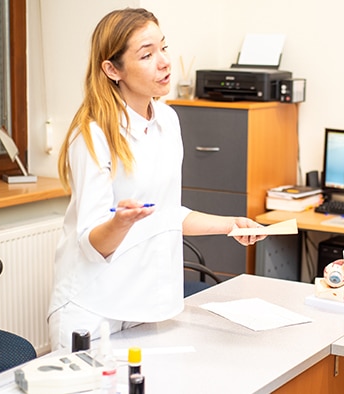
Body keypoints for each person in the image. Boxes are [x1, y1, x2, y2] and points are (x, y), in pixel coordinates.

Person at [48, 7, 265, 351]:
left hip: (143, 306)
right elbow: (93, 243)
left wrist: (230, 225)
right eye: (147, 55)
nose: (164, 61)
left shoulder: (167, 119)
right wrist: (121, 222)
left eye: (163, 48)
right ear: (112, 69)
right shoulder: (92, 134)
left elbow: (166, 212)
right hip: (92, 310)